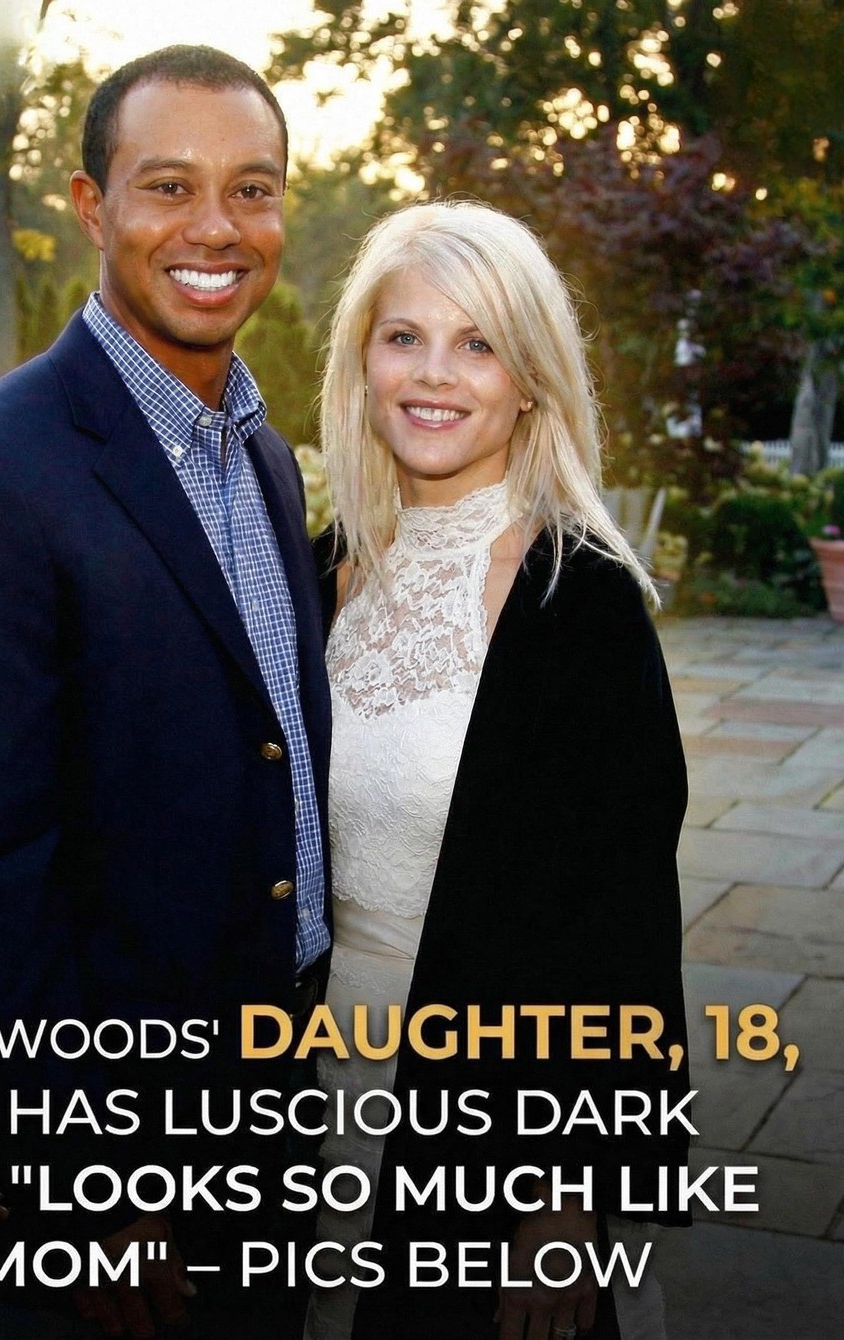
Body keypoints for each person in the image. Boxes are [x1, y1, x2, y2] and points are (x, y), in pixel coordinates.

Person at [0, 45, 330, 1340]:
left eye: (253, 189)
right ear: (89, 206)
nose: (215, 230)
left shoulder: (269, 463)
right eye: (168, 186)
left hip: (261, 1113)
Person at [303, 201, 690, 1340]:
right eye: (404, 335)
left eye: (478, 343)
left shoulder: (580, 601)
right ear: (360, 360)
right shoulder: (318, 568)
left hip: (494, 1109)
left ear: (529, 378)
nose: (436, 374)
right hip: (314, 1087)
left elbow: (620, 920)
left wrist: (566, 1189)